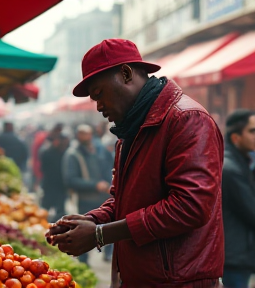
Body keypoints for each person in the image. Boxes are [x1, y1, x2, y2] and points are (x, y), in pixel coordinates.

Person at [46, 39, 224, 287]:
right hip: (140, 276)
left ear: (126, 74)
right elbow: (125, 201)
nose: (98, 106)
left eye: (99, 94)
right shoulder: (131, 131)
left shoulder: (187, 119)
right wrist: (91, 220)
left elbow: (190, 206)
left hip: (179, 281)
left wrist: (100, 234)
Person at [62, 124, 111, 264]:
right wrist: (94, 184)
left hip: (104, 197)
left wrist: (110, 185)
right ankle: (84, 262)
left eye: (88, 133)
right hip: (86, 200)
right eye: (83, 134)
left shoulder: (100, 149)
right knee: (84, 232)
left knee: (108, 227)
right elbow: (70, 180)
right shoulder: (72, 154)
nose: (86, 136)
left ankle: (108, 254)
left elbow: (109, 168)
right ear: (78, 135)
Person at [221, 109, 255, 288]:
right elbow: (252, 212)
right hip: (234, 258)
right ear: (236, 137)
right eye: (252, 131)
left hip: (239, 256)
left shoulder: (242, 163)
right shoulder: (231, 170)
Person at [40, 133, 70, 222]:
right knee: (45, 210)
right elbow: (43, 168)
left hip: (61, 187)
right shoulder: (48, 153)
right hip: (50, 186)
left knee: (60, 212)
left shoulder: (65, 153)